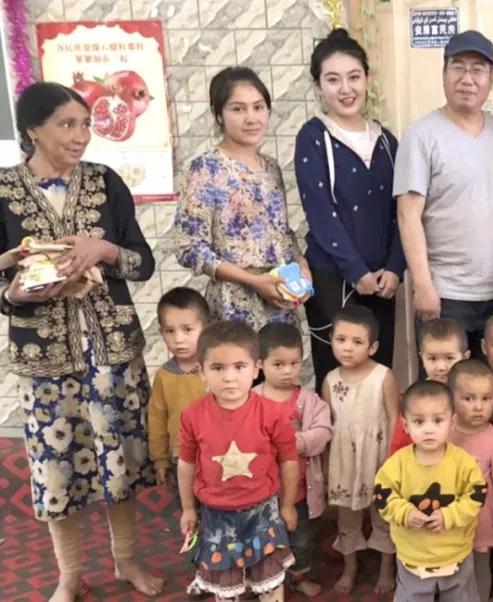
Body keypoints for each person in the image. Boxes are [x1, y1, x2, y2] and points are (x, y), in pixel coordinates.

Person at [1, 81, 162, 600]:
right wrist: (16, 293)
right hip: (44, 357)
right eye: (66, 125)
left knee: (120, 459)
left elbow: (142, 263)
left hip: (112, 351)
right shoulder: (3, 191)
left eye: (85, 124)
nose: (81, 136)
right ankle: (69, 574)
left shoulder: (105, 182)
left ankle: (126, 561)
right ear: (33, 129)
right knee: (55, 468)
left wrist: (104, 250)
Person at [395, 30, 493, 362]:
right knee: (444, 388)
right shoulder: (421, 135)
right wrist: (423, 284)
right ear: (444, 74)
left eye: (478, 70)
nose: (467, 79)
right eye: (458, 67)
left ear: (491, 80)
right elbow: (408, 214)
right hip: (445, 292)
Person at [296, 28, 403, 389]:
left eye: (354, 77)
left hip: (383, 281)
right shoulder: (314, 137)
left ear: (367, 79)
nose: (346, 89)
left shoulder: (387, 141)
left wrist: (395, 267)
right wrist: (357, 271)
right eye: (333, 79)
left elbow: (402, 213)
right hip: (334, 278)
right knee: (336, 381)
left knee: (378, 378)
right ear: (318, 85)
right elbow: (320, 213)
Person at [174, 67, 309, 331]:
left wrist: (302, 267)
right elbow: (189, 247)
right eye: (238, 109)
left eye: (258, 107)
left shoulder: (270, 167)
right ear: (219, 115)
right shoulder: (206, 168)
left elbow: (281, 233)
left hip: (280, 301)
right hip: (234, 305)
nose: (251, 118)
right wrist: (253, 281)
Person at [177, 321, 299, 600]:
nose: (229, 377)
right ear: (201, 371)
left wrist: (288, 504)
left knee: (270, 581)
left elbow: (289, 460)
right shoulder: (192, 415)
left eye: (240, 367)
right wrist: (188, 508)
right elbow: (186, 464)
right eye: (218, 368)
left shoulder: (272, 413)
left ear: (256, 368)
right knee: (225, 584)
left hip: (263, 511)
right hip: (216, 514)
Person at [373, 381, 487, 601]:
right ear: (405, 425)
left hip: (456, 553)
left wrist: (449, 516)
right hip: (413, 556)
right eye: (418, 421)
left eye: (438, 420)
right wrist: (405, 513)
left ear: (452, 422)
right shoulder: (396, 464)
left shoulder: (463, 462)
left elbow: (477, 495)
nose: (428, 429)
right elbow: (382, 495)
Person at [322, 305, 399, 593]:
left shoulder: (383, 376)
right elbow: (327, 425)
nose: (347, 348)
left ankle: (386, 567)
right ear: (331, 340)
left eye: (357, 342)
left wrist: (391, 458)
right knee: (347, 517)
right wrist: (327, 463)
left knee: (384, 514)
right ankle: (350, 566)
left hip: (378, 455)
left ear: (373, 347)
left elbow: (394, 418)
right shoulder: (330, 380)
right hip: (344, 458)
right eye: (341, 340)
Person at [253, 323, 333, 597]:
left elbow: (323, 433)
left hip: (299, 491)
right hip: (260, 493)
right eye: (278, 364)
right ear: (260, 364)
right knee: (262, 539)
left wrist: (290, 442)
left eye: (294, 363)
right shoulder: (251, 400)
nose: (287, 371)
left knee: (300, 539)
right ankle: (266, 581)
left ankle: (298, 578)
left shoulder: (309, 400)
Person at [447, 360, 493, 601]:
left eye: (486, 399)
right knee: (450, 572)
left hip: (480, 525)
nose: (478, 407)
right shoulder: (443, 433)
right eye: (469, 399)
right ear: (451, 398)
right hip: (446, 522)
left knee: (478, 570)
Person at [149, 287, 210, 488]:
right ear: (161, 333)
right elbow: (157, 421)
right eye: (170, 331)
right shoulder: (163, 376)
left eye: (187, 329)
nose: (178, 339)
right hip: (179, 456)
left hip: (217, 453)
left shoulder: (216, 371)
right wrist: (160, 460)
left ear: (205, 328)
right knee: (185, 503)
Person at [388, 317, 471, 456]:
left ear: (465, 357)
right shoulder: (415, 398)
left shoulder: (472, 397)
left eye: (449, 358)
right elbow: (400, 444)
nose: (441, 367)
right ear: (422, 357)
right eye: (432, 358)